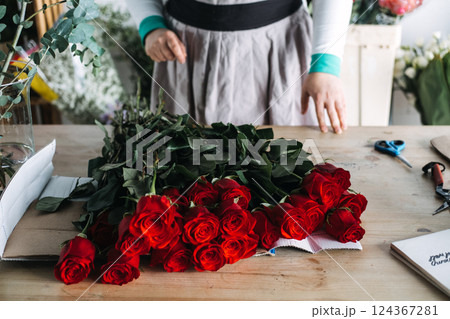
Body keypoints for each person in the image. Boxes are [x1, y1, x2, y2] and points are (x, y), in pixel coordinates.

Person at [127, 0, 352, 133]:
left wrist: (325, 65)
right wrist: (150, 23)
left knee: (281, 170)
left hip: (276, 48)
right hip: (185, 48)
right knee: (183, 169)